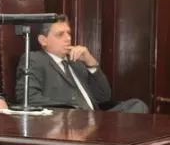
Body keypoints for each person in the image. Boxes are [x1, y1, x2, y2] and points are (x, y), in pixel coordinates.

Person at [15, 16, 149, 112]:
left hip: (97, 121)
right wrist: (72, 110)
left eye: (69, 33)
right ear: (43, 40)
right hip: (68, 125)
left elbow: (103, 97)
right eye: (60, 34)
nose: (68, 38)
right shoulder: (34, 59)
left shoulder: (76, 62)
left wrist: (90, 62)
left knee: (137, 105)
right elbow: (27, 98)